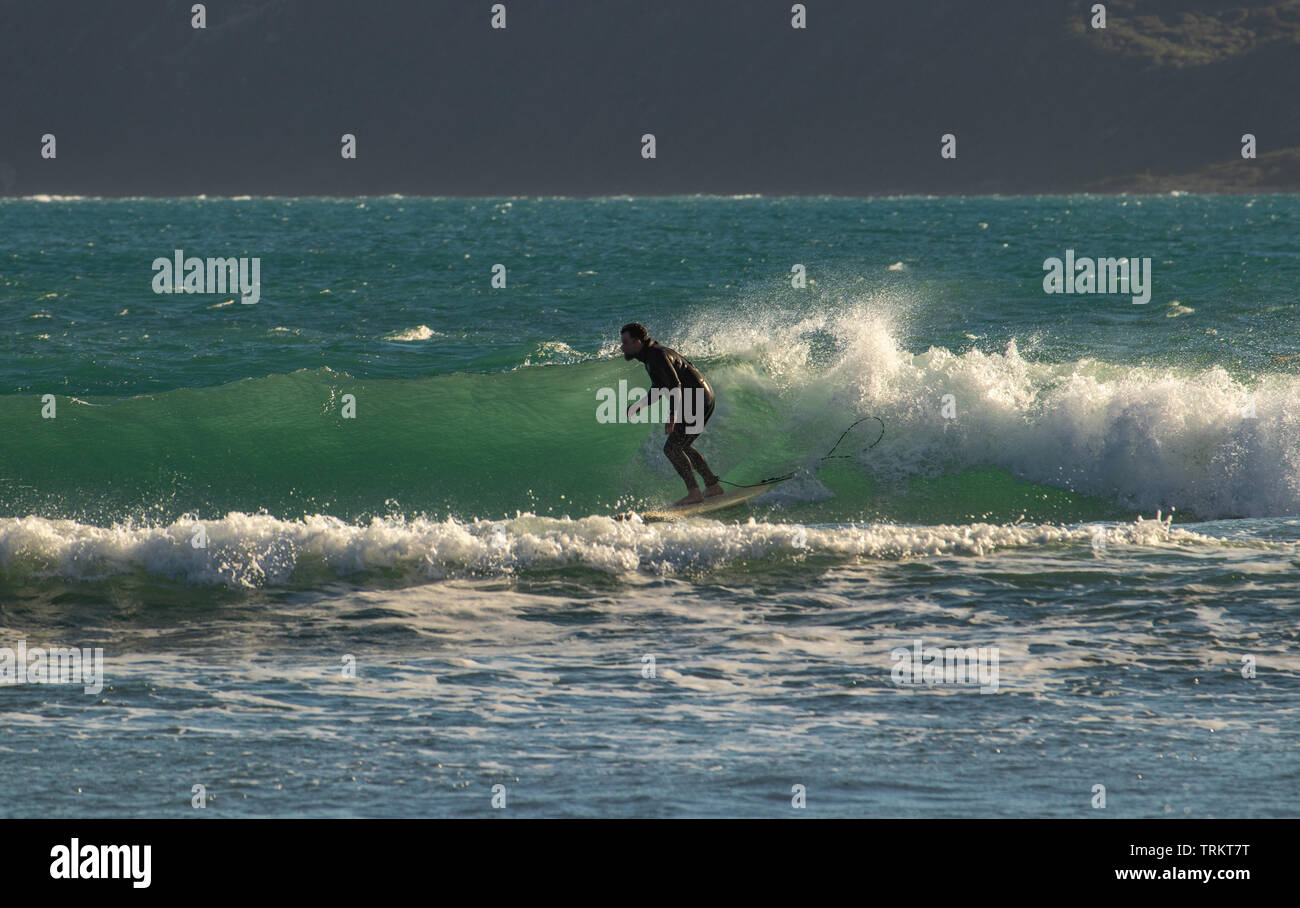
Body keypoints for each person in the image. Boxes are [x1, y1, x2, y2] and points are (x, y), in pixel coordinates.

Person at [620, 322, 724, 506]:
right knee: (681, 446)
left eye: (625, 342)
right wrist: (639, 405)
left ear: (637, 342)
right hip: (703, 395)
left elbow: (675, 385)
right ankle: (712, 485)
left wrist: (672, 416)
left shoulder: (656, 355)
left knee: (672, 448)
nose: (622, 347)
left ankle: (694, 492)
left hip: (696, 398)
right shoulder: (651, 354)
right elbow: (660, 387)